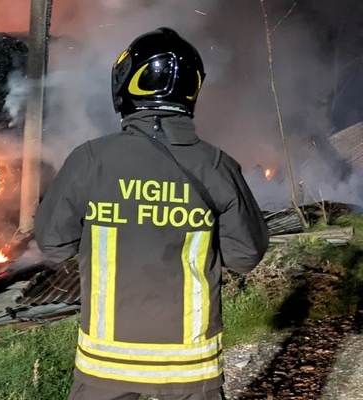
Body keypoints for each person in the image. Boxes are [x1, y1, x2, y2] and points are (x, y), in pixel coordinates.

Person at [33, 27, 270, 400]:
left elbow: (52, 243)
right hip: (190, 365)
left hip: (105, 364)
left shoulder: (90, 160)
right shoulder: (216, 165)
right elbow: (245, 256)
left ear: (127, 82)